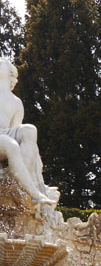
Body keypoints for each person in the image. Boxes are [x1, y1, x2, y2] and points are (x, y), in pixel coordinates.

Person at [0, 58, 59, 208]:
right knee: (11, 146)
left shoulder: (16, 102)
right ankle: (34, 193)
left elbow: (16, 128)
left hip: (5, 134)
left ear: (10, 72)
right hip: (3, 140)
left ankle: (17, 183)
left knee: (29, 130)